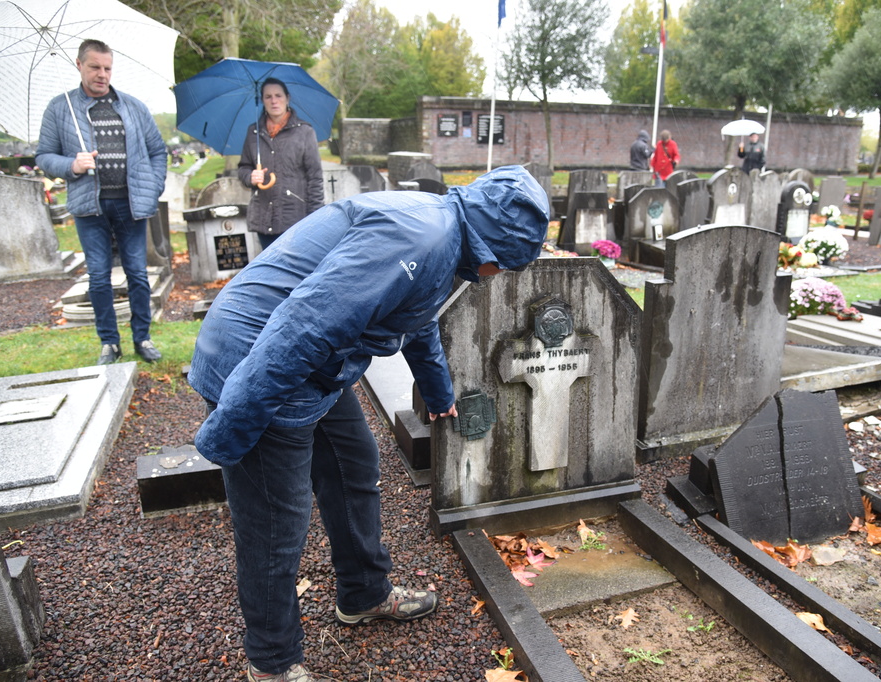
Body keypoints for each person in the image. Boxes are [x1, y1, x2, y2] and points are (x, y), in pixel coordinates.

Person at [187, 165, 549, 682]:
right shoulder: (421, 236)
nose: (499, 276)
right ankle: (271, 663)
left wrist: (439, 390)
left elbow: (417, 311)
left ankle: (363, 592)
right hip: (259, 359)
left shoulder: (448, 233)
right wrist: (231, 429)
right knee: (276, 525)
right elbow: (302, 327)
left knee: (355, 461)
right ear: (490, 247)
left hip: (315, 364)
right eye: (505, 266)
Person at [36, 39, 166, 365]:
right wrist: (71, 165)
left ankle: (142, 337)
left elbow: (157, 152)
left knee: (137, 273)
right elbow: (43, 156)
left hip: (131, 204)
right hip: (88, 207)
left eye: (107, 68)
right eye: (95, 67)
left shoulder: (133, 107)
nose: (102, 74)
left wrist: (152, 189)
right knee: (98, 276)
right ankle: (109, 343)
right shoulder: (60, 108)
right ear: (79, 65)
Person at [238, 77, 324, 250]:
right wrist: (250, 177)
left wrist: (316, 218)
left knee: (295, 272)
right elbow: (243, 167)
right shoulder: (253, 132)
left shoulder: (304, 132)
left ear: (287, 98)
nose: (274, 101)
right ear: (262, 100)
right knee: (269, 273)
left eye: (278, 95)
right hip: (263, 218)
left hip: (295, 218)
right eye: (268, 96)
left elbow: (315, 178)